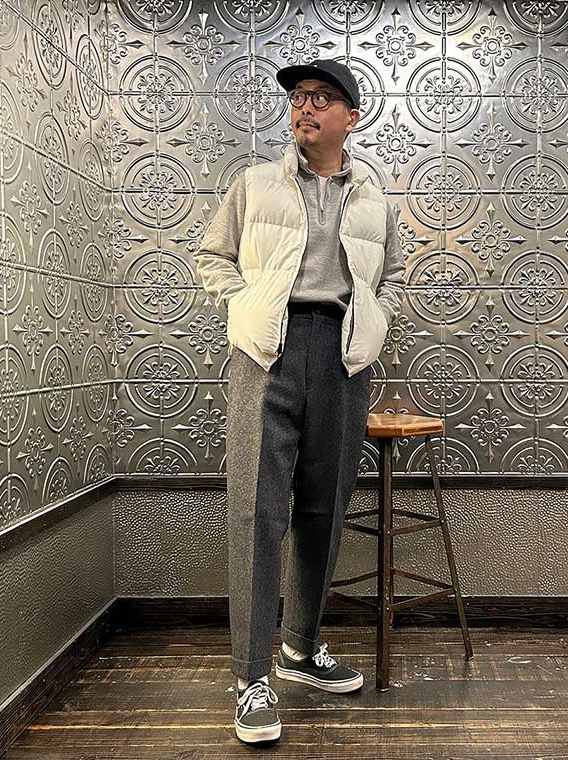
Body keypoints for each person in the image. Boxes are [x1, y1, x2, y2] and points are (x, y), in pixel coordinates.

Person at [192, 59, 405, 745]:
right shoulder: (256, 183)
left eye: (321, 97)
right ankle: (251, 677)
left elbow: (391, 275)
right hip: (268, 353)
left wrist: (374, 323)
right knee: (258, 511)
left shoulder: (373, 199)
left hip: (341, 356)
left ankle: (300, 648)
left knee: (324, 507)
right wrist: (246, 305)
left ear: (351, 116)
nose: (304, 107)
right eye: (298, 98)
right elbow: (213, 257)